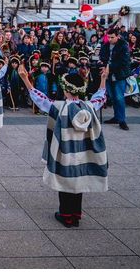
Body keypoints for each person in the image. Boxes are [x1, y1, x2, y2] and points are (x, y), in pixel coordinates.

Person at [17, 63, 109, 228]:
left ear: (66, 90)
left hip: (65, 152)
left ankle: (65, 215)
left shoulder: (59, 107)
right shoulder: (89, 107)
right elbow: (100, 97)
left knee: (65, 182)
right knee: (79, 182)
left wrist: (26, 80)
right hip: (84, 154)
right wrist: (103, 79)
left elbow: (40, 99)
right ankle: (76, 214)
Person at [100, 29, 131, 130]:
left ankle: (122, 120)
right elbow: (102, 57)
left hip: (119, 75)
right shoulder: (105, 45)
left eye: (112, 37)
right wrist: (103, 65)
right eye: (108, 37)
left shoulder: (123, 45)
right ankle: (116, 117)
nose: (110, 39)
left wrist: (109, 66)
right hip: (108, 75)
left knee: (119, 97)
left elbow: (124, 61)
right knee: (112, 97)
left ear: (118, 36)